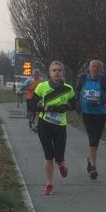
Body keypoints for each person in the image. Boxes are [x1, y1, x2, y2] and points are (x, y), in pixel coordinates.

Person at [33, 62, 76, 196]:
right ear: (50, 72)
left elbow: (75, 105)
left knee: (58, 156)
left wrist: (66, 107)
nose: (56, 72)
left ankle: (61, 163)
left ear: (63, 73)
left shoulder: (68, 88)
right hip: (44, 124)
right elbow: (32, 105)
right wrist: (46, 108)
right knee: (48, 155)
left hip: (60, 126)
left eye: (59, 70)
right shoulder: (42, 87)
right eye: (54, 70)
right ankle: (49, 185)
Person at [73, 59, 106, 180]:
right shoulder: (83, 78)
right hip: (87, 113)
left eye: (98, 67)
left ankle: (90, 158)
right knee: (93, 137)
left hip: (100, 114)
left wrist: (98, 102)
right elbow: (77, 91)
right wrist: (77, 104)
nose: (95, 69)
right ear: (89, 68)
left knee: (96, 140)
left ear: (101, 69)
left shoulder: (104, 80)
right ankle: (93, 168)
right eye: (93, 66)